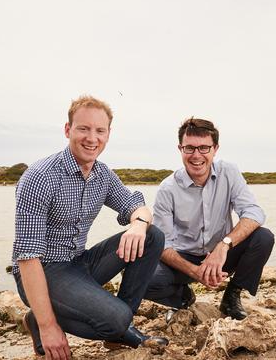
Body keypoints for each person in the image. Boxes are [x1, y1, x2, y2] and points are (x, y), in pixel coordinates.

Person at [11, 95, 168, 359]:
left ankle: (120, 331)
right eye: (83, 128)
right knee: (115, 319)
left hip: (80, 263)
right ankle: (42, 320)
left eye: (99, 130)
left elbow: (136, 205)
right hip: (44, 270)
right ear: (67, 130)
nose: (91, 138)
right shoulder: (39, 177)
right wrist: (50, 327)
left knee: (152, 236)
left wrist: (138, 225)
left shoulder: (102, 174)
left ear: (108, 134)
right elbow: (27, 257)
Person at [144, 117, 275, 320]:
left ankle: (232, 297)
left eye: (204, 148)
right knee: (144, 277)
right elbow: (163, 245)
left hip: (222, 254)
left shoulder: (229, 172)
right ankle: (182, 298)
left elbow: (254, 213)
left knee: (264, 238)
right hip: (183, 258)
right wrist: (195, 272)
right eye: (190, 148)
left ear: (215, 148)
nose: (197, 155)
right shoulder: (167, 189)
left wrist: (224, 245)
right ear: (180, 149)